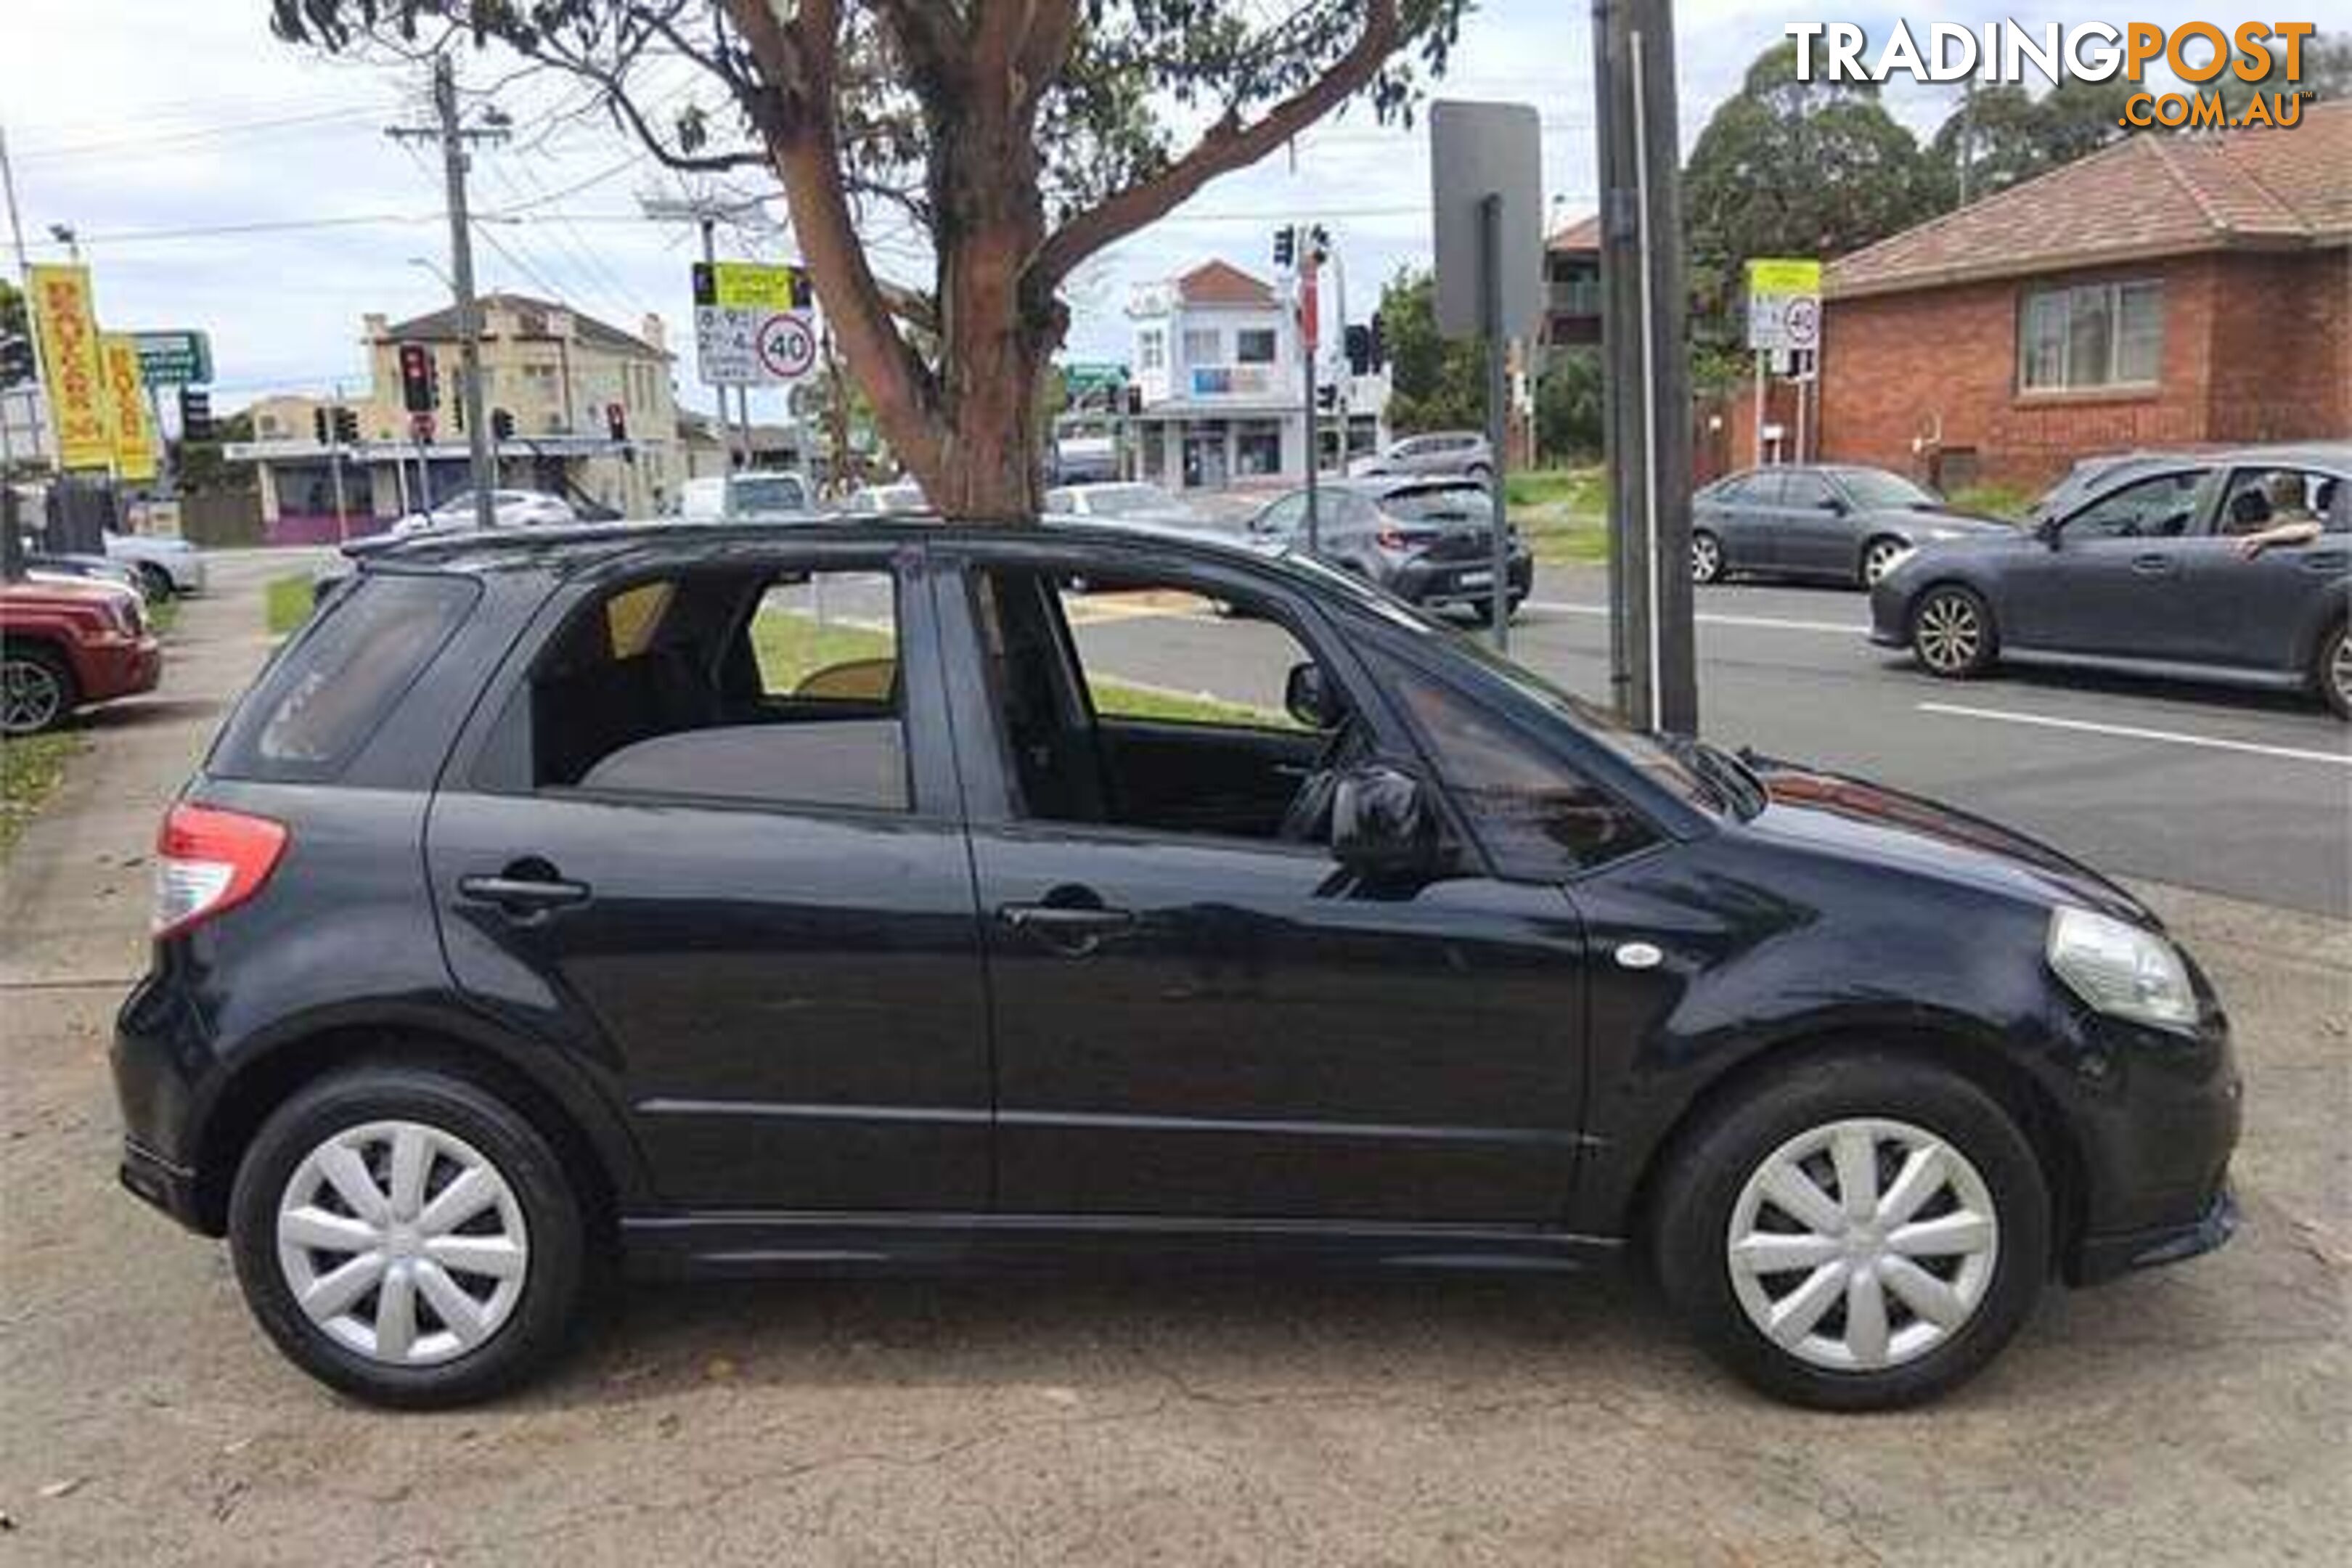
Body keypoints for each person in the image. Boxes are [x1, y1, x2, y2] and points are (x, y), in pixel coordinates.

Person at [2234, 471, 2326, 559]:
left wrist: (2259, 538)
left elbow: (2307, 530)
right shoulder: (2310, 515)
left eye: (2278, 484)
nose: (2272, 488)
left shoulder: (2287, 518)